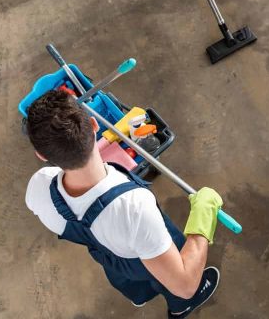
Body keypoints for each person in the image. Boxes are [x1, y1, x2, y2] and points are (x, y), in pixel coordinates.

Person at [24, 89, 222, 317]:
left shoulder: (39, 186)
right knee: (167, 274)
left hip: (109, 254)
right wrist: (203, 216)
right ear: (95, 125)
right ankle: (180, 308)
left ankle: (140, 295)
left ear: (41, 154)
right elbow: (184, 285)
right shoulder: (134, 208)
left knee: (127, 273)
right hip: (137, 254)